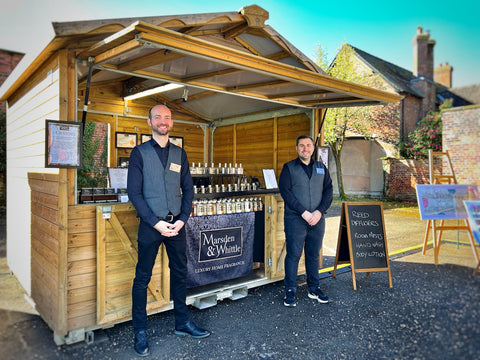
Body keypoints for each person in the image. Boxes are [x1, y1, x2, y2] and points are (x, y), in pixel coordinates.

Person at [127, 104, 210, 357]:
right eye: (158, 117)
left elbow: (188, 189)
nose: (163, 121)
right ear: (150, 122)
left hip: (177, 225)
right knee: (142, 278)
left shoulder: (179, 154)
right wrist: (155, 222)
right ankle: (140, 331)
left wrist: (184, 218)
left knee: (180, 274)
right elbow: (135, 193)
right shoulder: (139, 153)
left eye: (167, 117)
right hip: (152, 227)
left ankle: (182, 323)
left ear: (171, 122)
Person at [278, 135, 333, 307]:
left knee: (313, 255)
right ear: (297, 148)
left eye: (308, 145)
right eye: (301, 146)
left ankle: (314, 288)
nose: (305, 149)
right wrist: (303, 212)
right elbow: (285, 192)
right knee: (293, 254)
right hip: (296, 219)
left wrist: (319, 212)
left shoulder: (321, 167)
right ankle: (290, 291)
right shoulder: (289, 168)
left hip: (317, 219)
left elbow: (329, 191)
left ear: (313, 148)